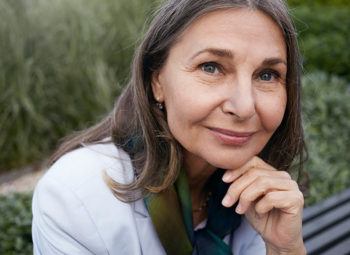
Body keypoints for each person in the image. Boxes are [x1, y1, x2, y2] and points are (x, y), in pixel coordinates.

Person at [31, 0, 307, 254]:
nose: (245, 106)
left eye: (267, 75)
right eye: (211, 67)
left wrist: (285, 248)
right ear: (157, 82)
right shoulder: (74, 197)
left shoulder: (265, 197)